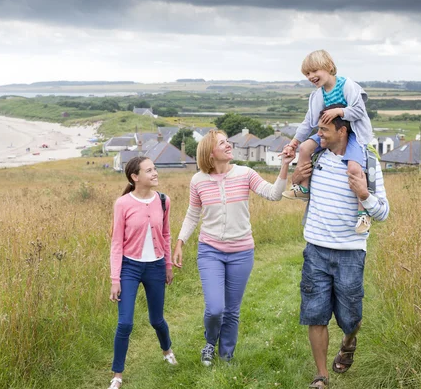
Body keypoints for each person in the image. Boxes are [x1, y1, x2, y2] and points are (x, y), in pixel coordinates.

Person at [173, 130, 295, 366]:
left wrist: (284, 166)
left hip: (242, 253)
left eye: (228, 141)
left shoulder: (245, 174)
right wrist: (180, 242)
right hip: (210, 251)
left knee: (231, 311)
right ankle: (210, 342)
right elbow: (192, 214)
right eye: (222, 143)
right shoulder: (197, 181)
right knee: (215, 308)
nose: (229, 145)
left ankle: (226, 355)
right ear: (210, 153)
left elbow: (274, 195)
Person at [291, 107, 389, 388]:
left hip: (351, 252)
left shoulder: (367, 162)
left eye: (323, 130)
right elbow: (300, 195)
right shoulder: (318, 156)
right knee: (315, 313)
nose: (317, 134)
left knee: (351, 316)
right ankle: (321, 375)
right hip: (316, 250)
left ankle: (349, 340)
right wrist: (297, 181)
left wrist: (363, 194)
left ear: (342, 131)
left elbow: (382, 212)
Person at [281, 49, 374, 234]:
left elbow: (359, 111)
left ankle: (363, 213)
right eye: (307, 74)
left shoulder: (347, 85)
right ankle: (304, 188)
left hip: (353, 132)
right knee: (306, 147)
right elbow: (309, 122)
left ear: (329, 67)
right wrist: (294, 142)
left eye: (315, 71)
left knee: (354, 168)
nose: (311, 76)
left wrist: (340, 112)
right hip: (330, 132)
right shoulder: (317, 95)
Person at [108, 156, 177, 389]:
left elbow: (166, 235)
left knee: (156, 319)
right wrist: (114, 279)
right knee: (125, 323)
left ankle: (167, 350)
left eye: (155, 168)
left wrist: (167, 265)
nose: (155, 173)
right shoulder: (123, 204)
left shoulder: (164, 201)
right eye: (149, 170)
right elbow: (116, 243)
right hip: (129, 267)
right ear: (135, 177)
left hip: (156, 266)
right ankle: (117, 375)